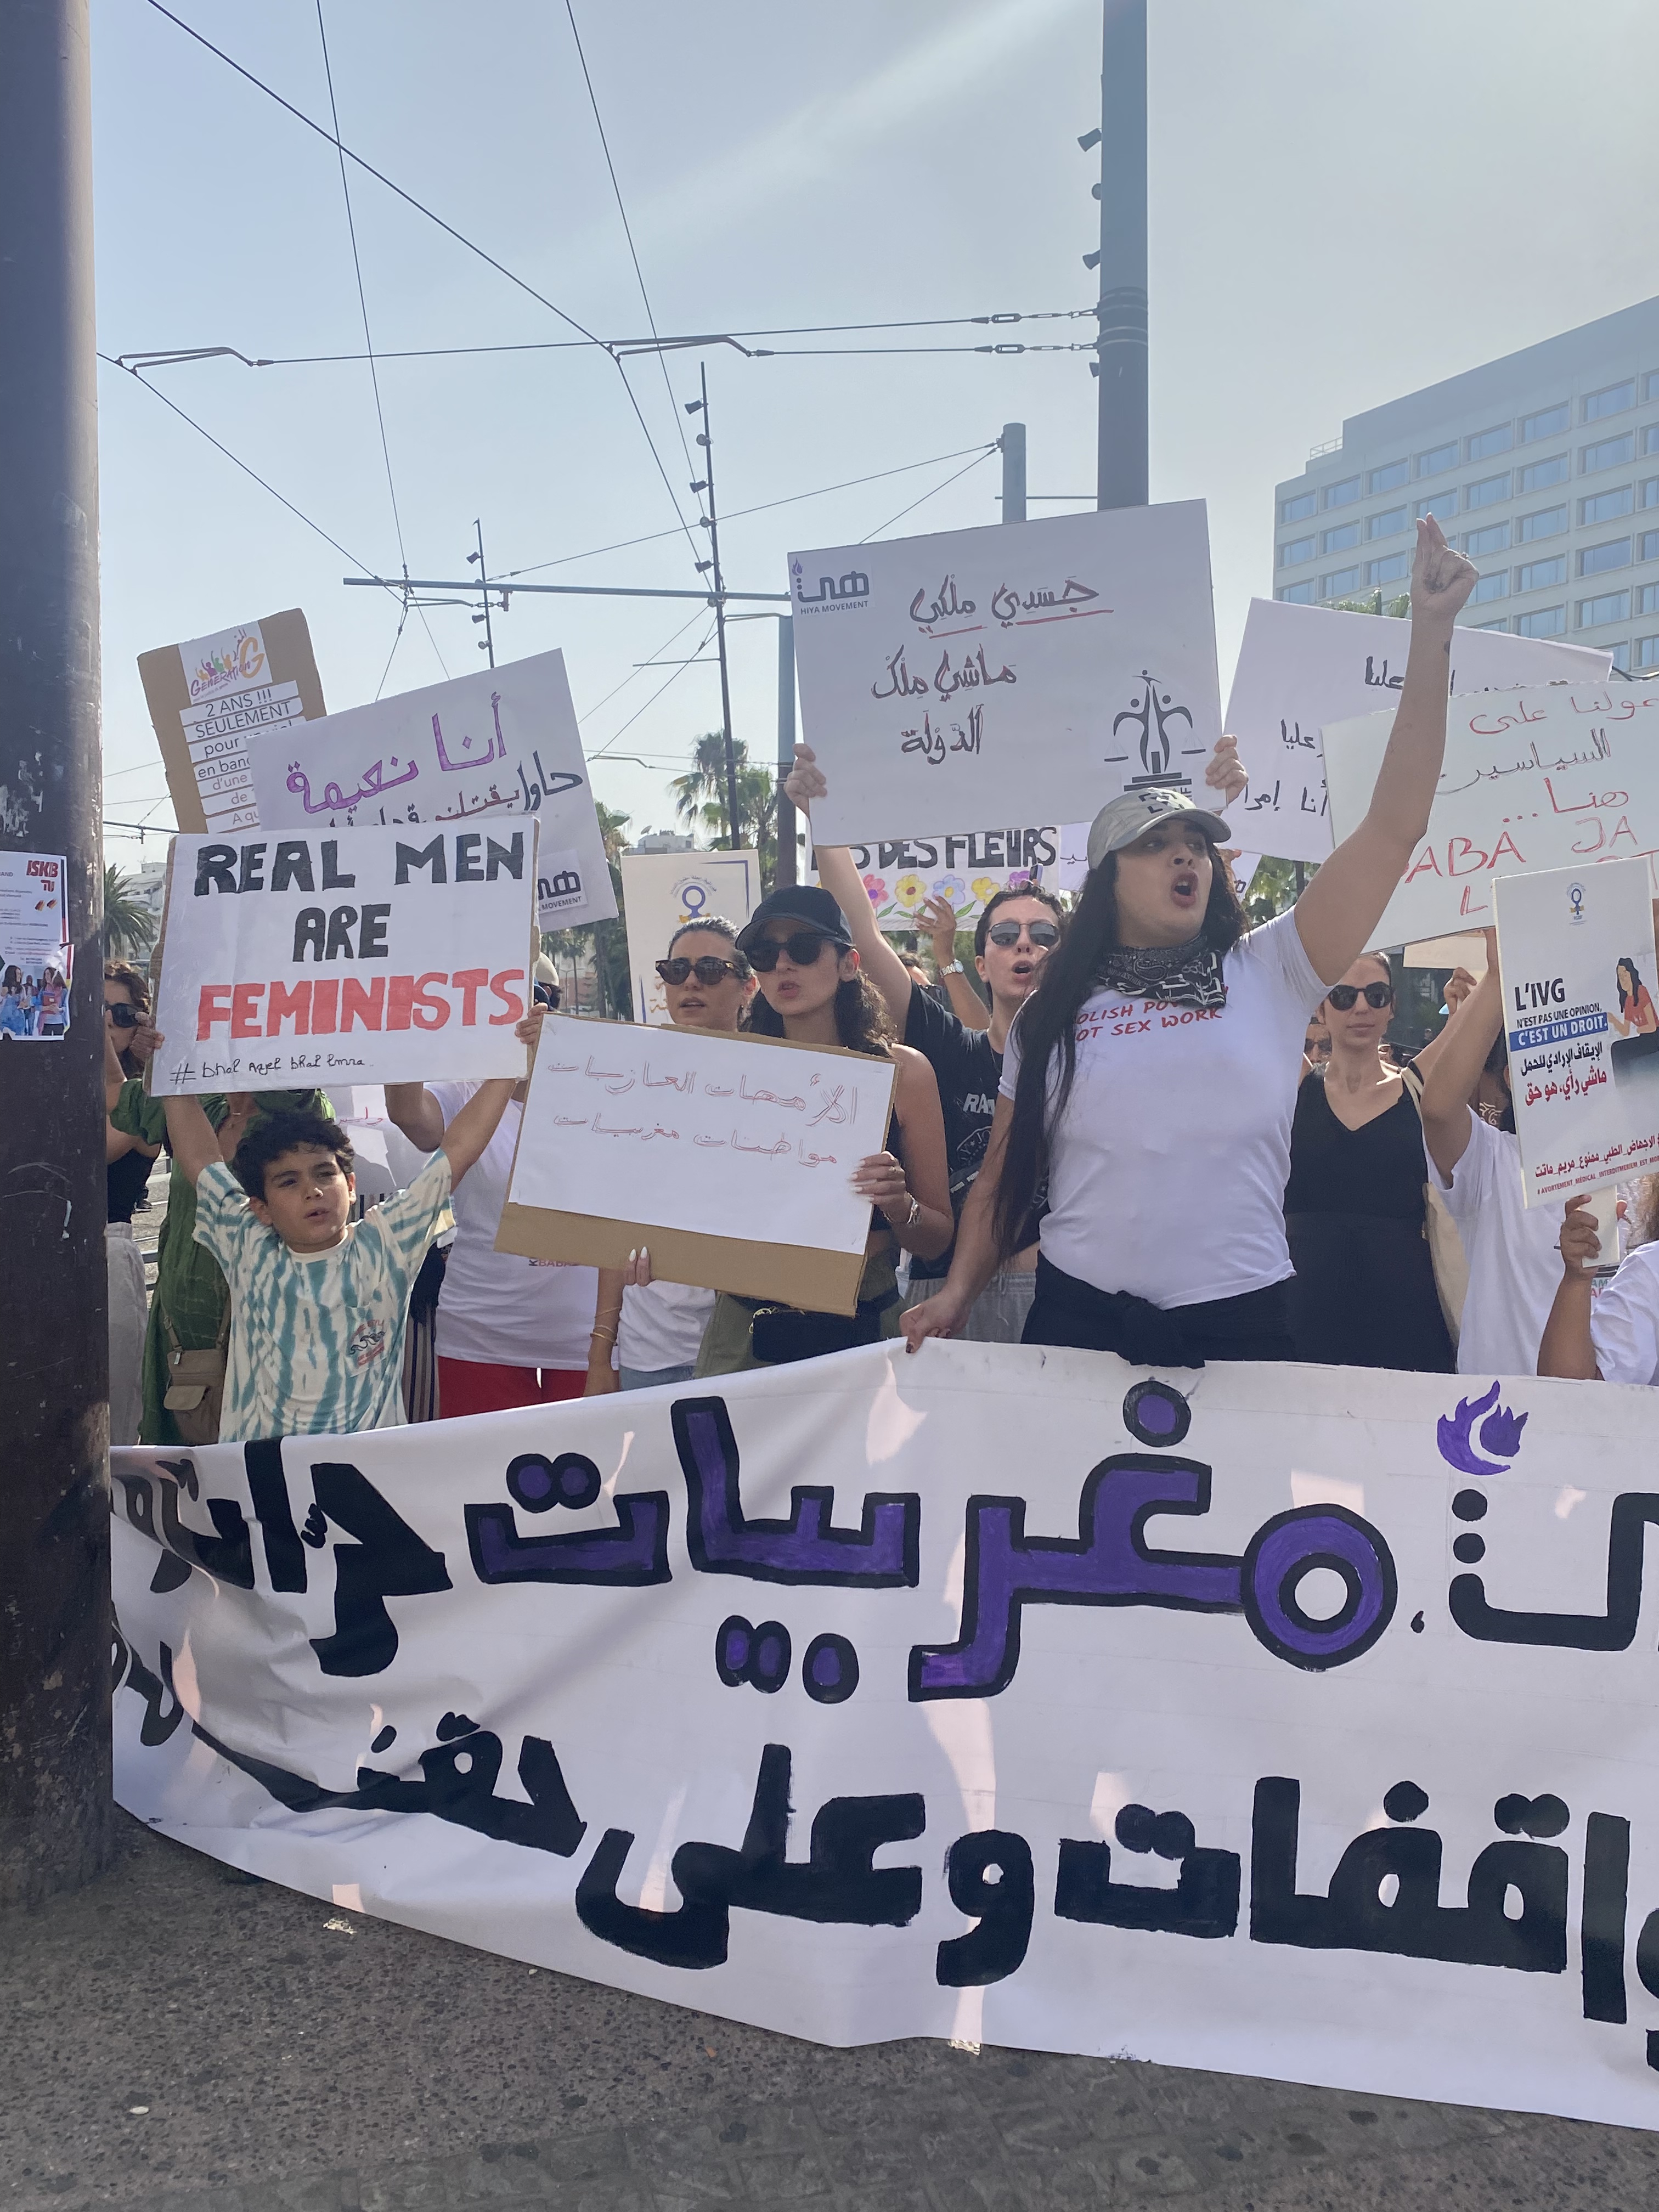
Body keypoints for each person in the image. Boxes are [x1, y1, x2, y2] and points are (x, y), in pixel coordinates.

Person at [903, 516, 1479, 1366]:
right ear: (1107, 881)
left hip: (1243, 1330)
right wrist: (956, 1291)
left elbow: (1393, 828)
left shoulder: (1274, 969)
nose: (1186, 855)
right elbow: (999, 1182)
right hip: (1077, 1328)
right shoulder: (1050, 1016)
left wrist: (1431, 635)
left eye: (1199, 843)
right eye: (1154, 843)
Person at [785, 750, 1069, 1341]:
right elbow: (862, 931)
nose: (1026, 946)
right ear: (981, 964)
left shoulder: (1095, 1060)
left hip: (1060, 1293)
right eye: (1006, 935)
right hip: (937, 1294)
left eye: (1044, 936)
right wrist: (821, 822)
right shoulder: (947, 1047)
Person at [155, 1037, 528, 1441]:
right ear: (261, 1207)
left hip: (366, 1483)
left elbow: (458, 1152)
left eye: (323, 1174)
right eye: (288, 1181)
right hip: (262, 1489)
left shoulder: (386, 1243)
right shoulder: (246, 1243)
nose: (312, 1191)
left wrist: (511, 1063)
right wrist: (167, 1057)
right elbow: (199, 1159)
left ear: (351, 1186)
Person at [695, 882, 953, 1374]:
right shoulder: (727, 1074)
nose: (783, 965)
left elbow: (937, 1237)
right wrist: (651, 1251)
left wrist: (900, 1207)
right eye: (765, 954)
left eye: (805, 948)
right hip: (742, 1337)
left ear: (850, 964)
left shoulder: (904, 1074)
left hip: (861, 1332)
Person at [111, 1043, 339, 1444]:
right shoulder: (205, 1104)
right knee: (185, 1483)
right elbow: (117, 1096)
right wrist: (104, 1024)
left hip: (265, 1340)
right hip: (182, 1335)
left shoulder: (299, 1109)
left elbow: (206, 1162)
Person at [385, 1011, 598, 1418]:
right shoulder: (463, 1094)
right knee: (485, 1478)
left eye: (538, 1005)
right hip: (482, 1331)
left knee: (588, 1479)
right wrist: (406, 1023)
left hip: (589, 1336)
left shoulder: (601, 1089)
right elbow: (409, 1117)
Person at [585, 917, 756, 1392]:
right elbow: (611, 1231)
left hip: (751, 1350)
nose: (692, 981)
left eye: (710, 968)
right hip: (651, 1353)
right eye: (676, 968)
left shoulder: (783, 1088)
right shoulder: (626, 1081)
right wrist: (601, 1353)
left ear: (749, 986)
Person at [1283, 951, 1455, 1372]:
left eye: (1376, 995)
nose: (1361, 1008)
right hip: (1302, 1318)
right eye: (1343, 996)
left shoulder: (1417, 1089)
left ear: (1392, 1006)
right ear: (1321, 1008)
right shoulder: (1295, 1084)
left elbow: (1484, 1009)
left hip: (1405, 1323)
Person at [1418, 932, 1573, 1377]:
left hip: (1614, 1432)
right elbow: (1440, 1109)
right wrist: (1499, 979)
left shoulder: (1638, 1175)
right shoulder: (1494, 1163)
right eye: (1546, 1053)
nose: (1567, 1068)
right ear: (1512, 1076)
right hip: (1497, 1428)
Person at [104, 962, 162, 1444]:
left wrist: (87, 1029)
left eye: (119, 1013)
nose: (106, 1021)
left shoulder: (147, 1096)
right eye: (96, 1010)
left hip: (106, 1249)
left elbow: (95, 1148)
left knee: (114, 1417)